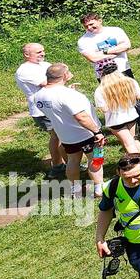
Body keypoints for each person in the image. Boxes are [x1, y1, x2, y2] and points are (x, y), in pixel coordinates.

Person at [34, 62, 105, 196]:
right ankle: (99, 188)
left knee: (73, 161)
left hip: (66, 136)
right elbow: (81, 117)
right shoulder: (67, 95)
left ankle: (75, 189)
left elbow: (58, 109)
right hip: (87, 134)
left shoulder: (39, 95)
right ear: (65, 75)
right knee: (96, 159)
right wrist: (97, 132)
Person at [17, 43, 64, 177]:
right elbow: (48, 83)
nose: (42, 54)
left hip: (54, 104)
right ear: (27, 55)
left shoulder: (44, 64)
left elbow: (59, 76)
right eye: (38, 52)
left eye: (43, 51)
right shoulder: (24, 71)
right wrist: (62, 76)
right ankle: (58, 166)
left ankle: (65, 164)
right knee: (58, 136)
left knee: (61, 135)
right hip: (42, 110)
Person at [93, 61, 140, 155]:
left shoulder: (100, 90)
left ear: (101, 73)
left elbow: (104, 109)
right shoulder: (130, 81)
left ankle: (137, 164)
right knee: (134, 139)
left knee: (128, 144)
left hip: (115, 121)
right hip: (131, 115)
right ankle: (138, 161)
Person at [77, 12, 133, 81]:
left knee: (131, 91)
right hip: (103, 75)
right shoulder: (83, 41)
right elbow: (93, 58)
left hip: (123, 69)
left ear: (100, 21)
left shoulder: (116, 30)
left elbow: (126, 46)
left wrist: (105, 51)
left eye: (91, 24)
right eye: (86, 26)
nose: (89, 28)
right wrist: (118, 51)